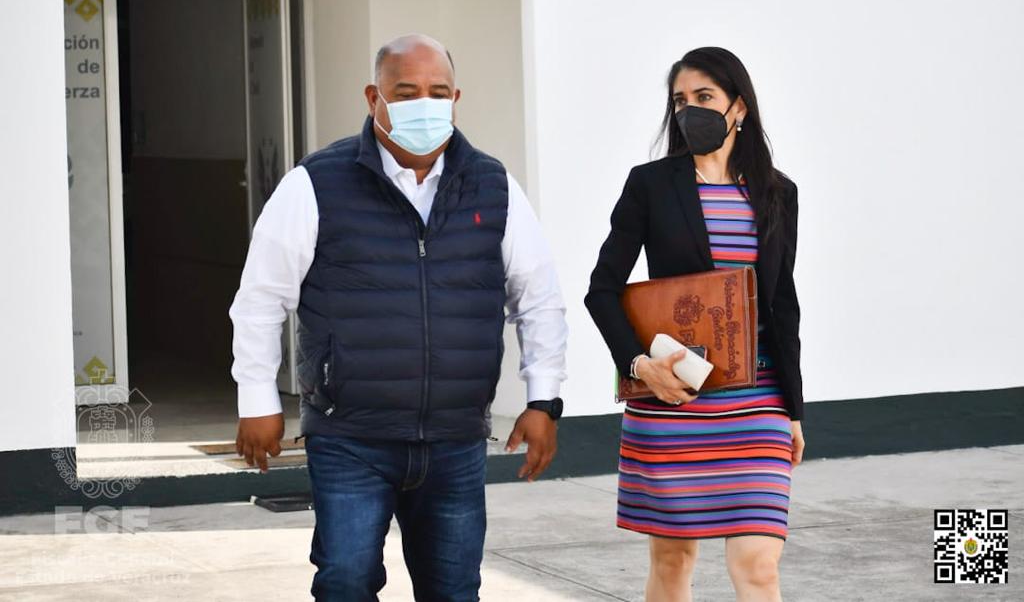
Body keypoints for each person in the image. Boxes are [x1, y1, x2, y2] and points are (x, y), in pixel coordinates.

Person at [228, 33, 568, 601]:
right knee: (345, 581)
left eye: (438, 91)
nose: (424, 104)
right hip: (351, 437)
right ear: (374, 97)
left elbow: (538, 299)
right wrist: (257, 399)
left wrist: (543, 400)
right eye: (406, 92)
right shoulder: (316, 184)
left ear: (456, 98)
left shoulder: (493, 186)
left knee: (453, 591)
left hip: (455, 439)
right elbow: (261, 299)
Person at [584, 47, 805, 602]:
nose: (690, 110)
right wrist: (639, 366)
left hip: (758, 401)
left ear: (739, 107)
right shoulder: (650, 184)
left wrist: (794, 409)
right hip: (674, 397)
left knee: (758, 565)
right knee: (672, 560)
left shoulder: (778, 193)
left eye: (704, 97)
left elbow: (783, 304)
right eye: (680, 101)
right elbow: (602, 290)